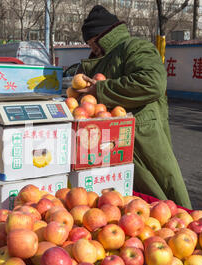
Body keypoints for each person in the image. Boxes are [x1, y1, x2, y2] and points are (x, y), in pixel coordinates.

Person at [75, 5, 192, 209]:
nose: (91, 49)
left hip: (143, 137)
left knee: (162, 192)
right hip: (107, 142)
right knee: (127, 202)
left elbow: (152, 83)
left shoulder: (135, 47)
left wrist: (101, 90)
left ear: (102, 36)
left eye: (93, 43)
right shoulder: (95, 61)